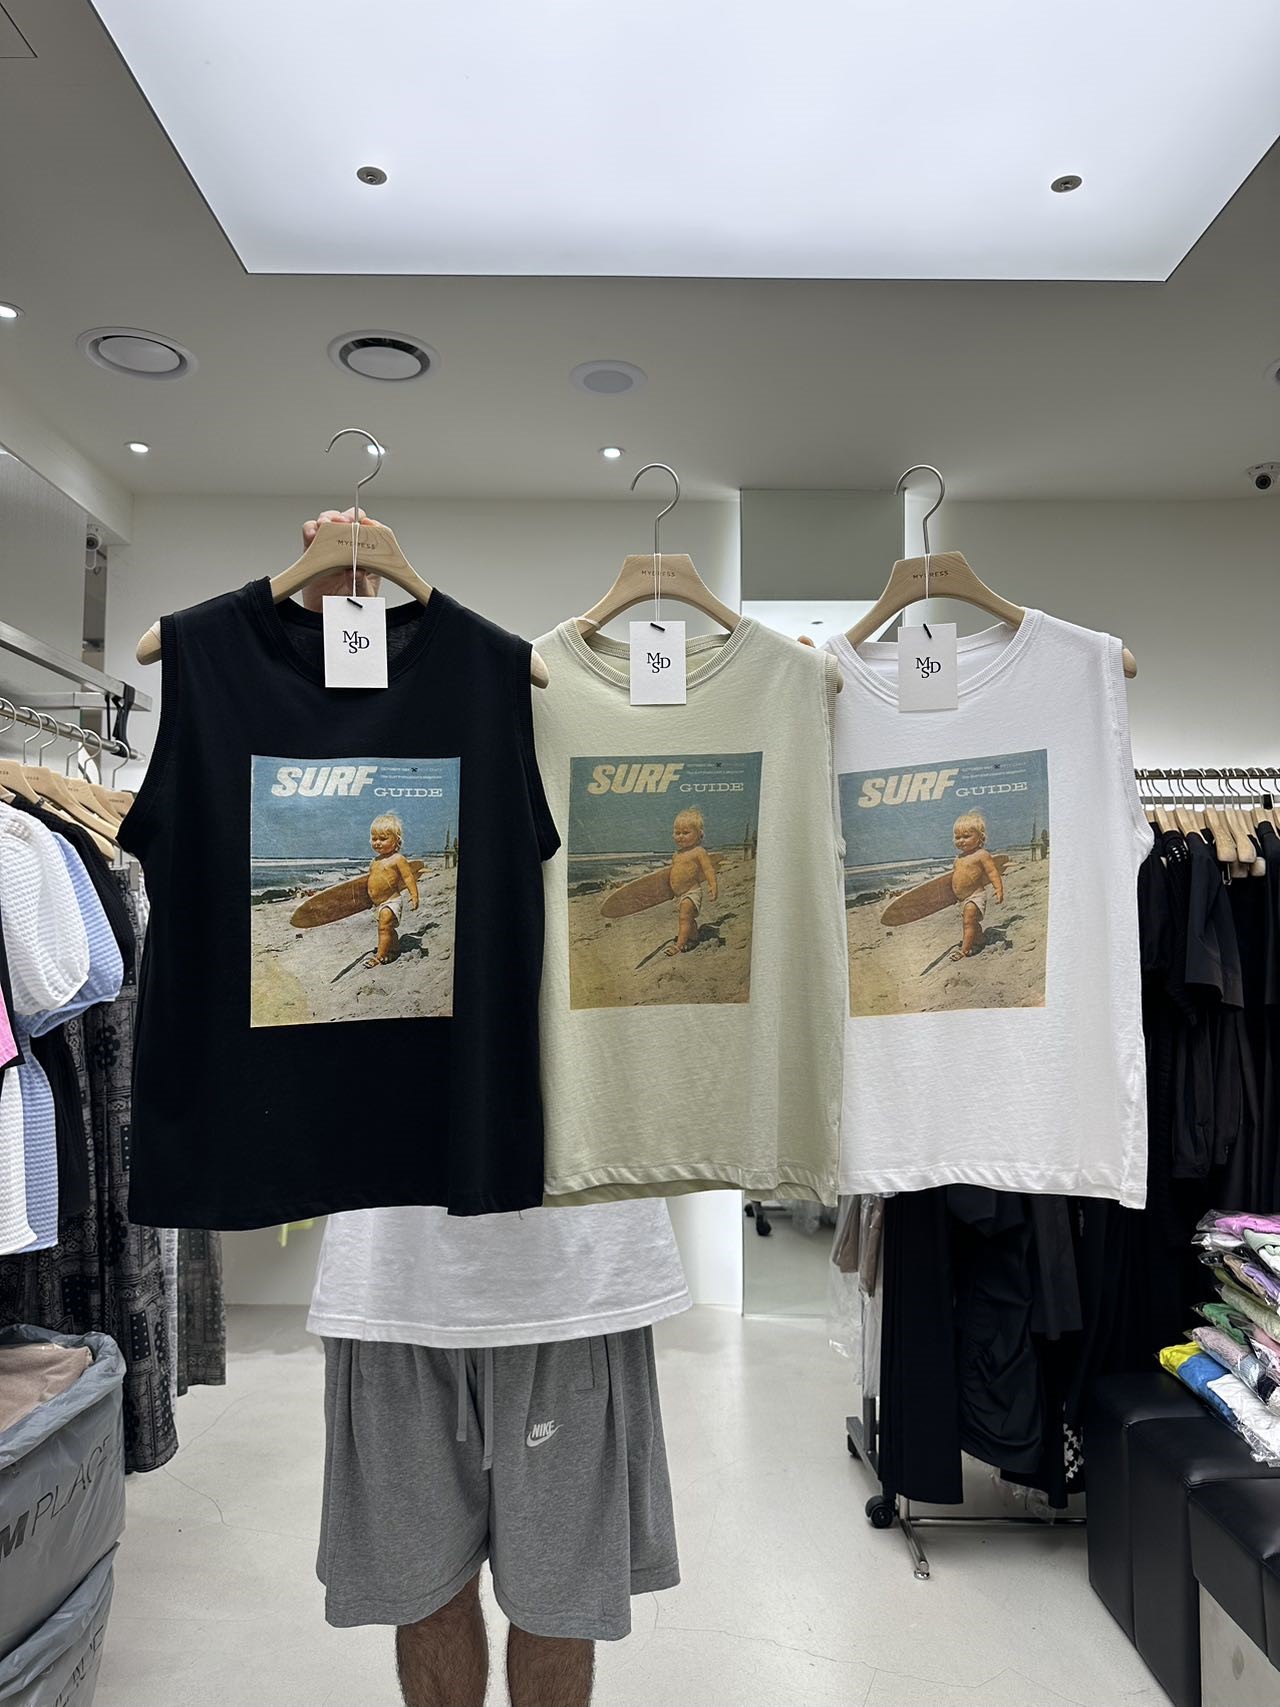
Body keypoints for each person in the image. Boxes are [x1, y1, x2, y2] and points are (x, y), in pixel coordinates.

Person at [298, 509, 688, 1707]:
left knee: (560, 1602)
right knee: (419, 1594)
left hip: (577, 1269)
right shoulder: (392, 747)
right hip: (393, 1270)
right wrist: (327, 615)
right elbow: (302, 736)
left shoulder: (619, 733)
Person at [949, 810, 1005, 961]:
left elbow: (992, 872)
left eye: (966, 836)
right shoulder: (958, 858)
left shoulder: (981, 854)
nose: (961, 840)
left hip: (975, 896)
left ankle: (964, 950)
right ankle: (979, 940)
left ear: (980, 837)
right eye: (957, 837)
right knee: (971, 922)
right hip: (962, 899)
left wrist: (998, 889)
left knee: (968, 921)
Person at [365, 811, 419, 967]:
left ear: (397, 840)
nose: (377, 842)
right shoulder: (375, 861)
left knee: (383, 927)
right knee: (387, 928)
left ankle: (379, 956)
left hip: (391, 901)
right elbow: (370, 882)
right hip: (378, 904)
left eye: (383, 839)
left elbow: (408, 877)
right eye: (374, 839)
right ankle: (394, 950)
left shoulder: (398, 859)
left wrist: (414, 895)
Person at [665, 806, 718, 955]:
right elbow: (673, 874)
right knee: (688, 919)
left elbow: (708, 869)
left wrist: (713, 885)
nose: (680, 836)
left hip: (692, 892)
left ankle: (679, 945)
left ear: (699, 834)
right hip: (680, 895)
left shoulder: (698, 852)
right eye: (677, 833)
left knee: (684, 917)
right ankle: (693, 938)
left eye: (686, 832)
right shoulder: (676, 854)